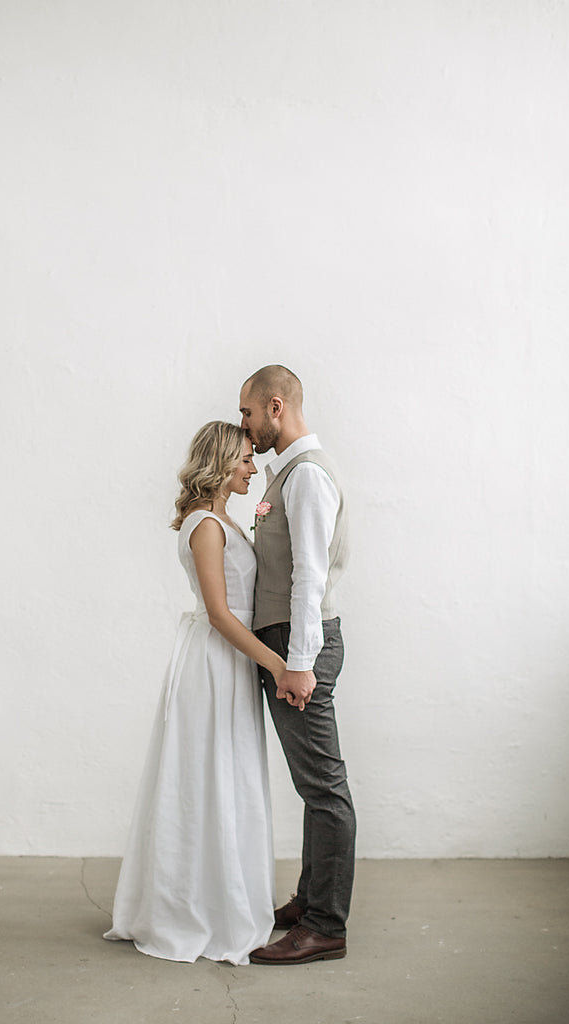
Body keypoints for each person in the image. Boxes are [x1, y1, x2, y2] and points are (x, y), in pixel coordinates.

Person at [103, 421, 285, 965]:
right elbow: (219, 613)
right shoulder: (206, 525)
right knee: (209, 775)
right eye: (247, 460)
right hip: (215, 661)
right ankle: (198, 908)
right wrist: (275, 663)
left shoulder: (221, 518)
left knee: (226, 775)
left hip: (229, 658)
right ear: (224, 463)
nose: (254, 468)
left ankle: (219, 896)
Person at [239, 365, 356, 966]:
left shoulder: (306, 477)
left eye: (249, 413)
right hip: (288, 641)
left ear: (276, 406)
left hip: (298, 645)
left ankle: (325, 925)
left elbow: (310, 575)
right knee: (314, 787)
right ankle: (312, 901)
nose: (245, 425)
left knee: (324, 787)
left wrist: (300, 662)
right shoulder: (285, 474)